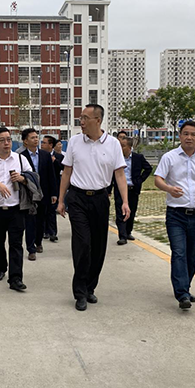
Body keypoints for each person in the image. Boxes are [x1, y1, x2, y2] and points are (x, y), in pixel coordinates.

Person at [57, 104, 130, 311]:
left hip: (100, 199)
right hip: (77, 198)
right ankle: (80, 292)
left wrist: (125, 202)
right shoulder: (75, 142)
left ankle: (90, 287)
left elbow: (120, 175)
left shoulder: (113, 144)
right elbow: (67, 172)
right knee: (82, 245)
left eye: (85, 118)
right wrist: (61, 200)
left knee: (98, 247)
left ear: (97, 120)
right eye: (80, 118)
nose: (81, 122)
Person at [154, 120, 195, 310]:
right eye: (185, 134)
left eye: (193, 134)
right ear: (180, 136)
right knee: (179, 253)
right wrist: (168, 188)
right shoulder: (169, 157)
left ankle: (185, 287)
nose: (189, 137)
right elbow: (158, 179)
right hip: (176, 215)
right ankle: (182, 293)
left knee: (191, 256)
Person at [0, 127, 33, 292]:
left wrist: (22, 178)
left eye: (9, 139)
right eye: (2, 140)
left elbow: (32, 177)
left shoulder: (20, 159)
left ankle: (16, 278)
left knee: (16, 243)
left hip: (16, 209)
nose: (6, 143)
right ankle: (0, 268)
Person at [20, 128, 57, 260]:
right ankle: (31, 249)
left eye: (37, 137)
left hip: (43, 193)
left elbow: (51, 175)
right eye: (32, 137)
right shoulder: (21, 157)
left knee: (41, 220)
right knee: (30, 221)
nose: (36, 140)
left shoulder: (45, 155)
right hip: (29, 194)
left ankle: (38, 242)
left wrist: (54, 193)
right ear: (25, 141)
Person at [110, 136, 152, 245]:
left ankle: (128, 232)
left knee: (131, 212)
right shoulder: (116, 159)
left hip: (133, 189)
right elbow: (111, 175)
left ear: (129, 147)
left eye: (123, 146)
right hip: (120, 190)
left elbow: (148, 168)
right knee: (120, 213)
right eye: (120, 146)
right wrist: (109, 190)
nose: (121, 148)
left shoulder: (138, 158)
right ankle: (122, 236)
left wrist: (140, 180)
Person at [41, 135, 64, 242]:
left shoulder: (59, 156)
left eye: (44, 143)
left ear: (51, 145)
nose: (42, 145)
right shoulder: (40, 155)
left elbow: (63, 168)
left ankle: (52, 232)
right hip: (43, 186)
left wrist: (55, 161)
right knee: (43, 210)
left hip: (55, 186)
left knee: (52, 210)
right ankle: (44, 230)